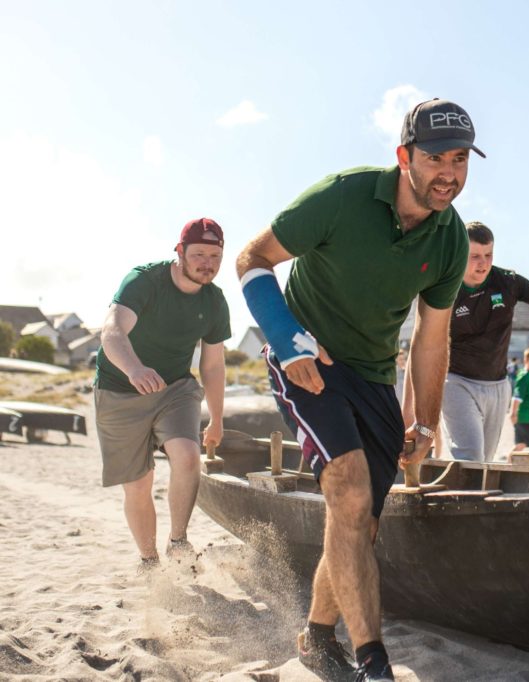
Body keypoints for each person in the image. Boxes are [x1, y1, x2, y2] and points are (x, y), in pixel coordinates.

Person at [236, 98, 479, 681]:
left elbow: (430, 339)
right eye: (435, 158)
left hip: (373, 374)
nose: (449, 172)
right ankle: (373, 661)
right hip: (307, 357)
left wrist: (424, 421)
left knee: (360, 523)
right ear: (404, 157)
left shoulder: (450, 242)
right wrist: (285, 337)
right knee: (347, 492)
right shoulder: (343, 195)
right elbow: (252, 258)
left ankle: (317, 637)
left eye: (461, 159)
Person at [94, 218, 229, 573]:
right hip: (119, 390)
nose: (207, 263)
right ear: (180, 252)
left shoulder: (214, 302)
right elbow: (111, 332)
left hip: (175, 388)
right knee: (139, 486)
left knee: (187, 456)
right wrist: (134, 369)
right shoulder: (144, 281)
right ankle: (149, 561)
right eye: (199, 254)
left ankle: (179, 541)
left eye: (215, 256)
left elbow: (212, 365)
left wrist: (216, 418)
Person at [441, 222, 529, 462]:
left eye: (489, 255)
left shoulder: (507, 281)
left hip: (498, 385)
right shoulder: (446, 285)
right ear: (459, 252)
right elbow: (426, 341)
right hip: (456, 382)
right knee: (471, 458)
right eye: (475, 256)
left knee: (486, 462)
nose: (484, 263)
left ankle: (473, 498)